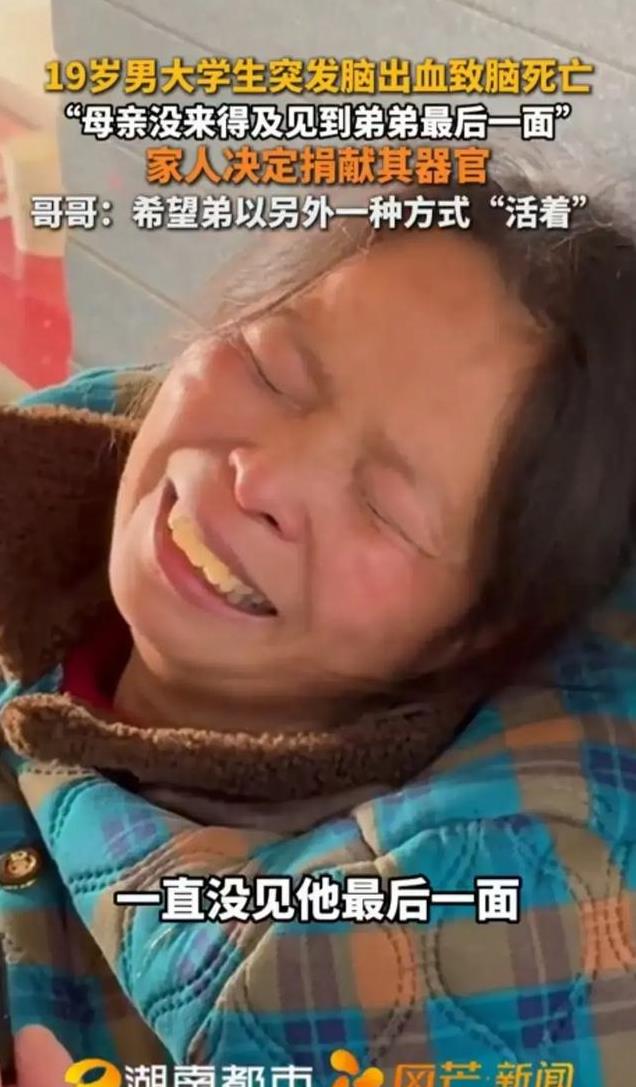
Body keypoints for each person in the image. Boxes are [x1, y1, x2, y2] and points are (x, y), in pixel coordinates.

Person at [1, 156, 636, 1084]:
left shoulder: (377, 951)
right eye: (271, 370)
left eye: (383, 506)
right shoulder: (42, 503)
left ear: (475, 632)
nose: (260, 477)